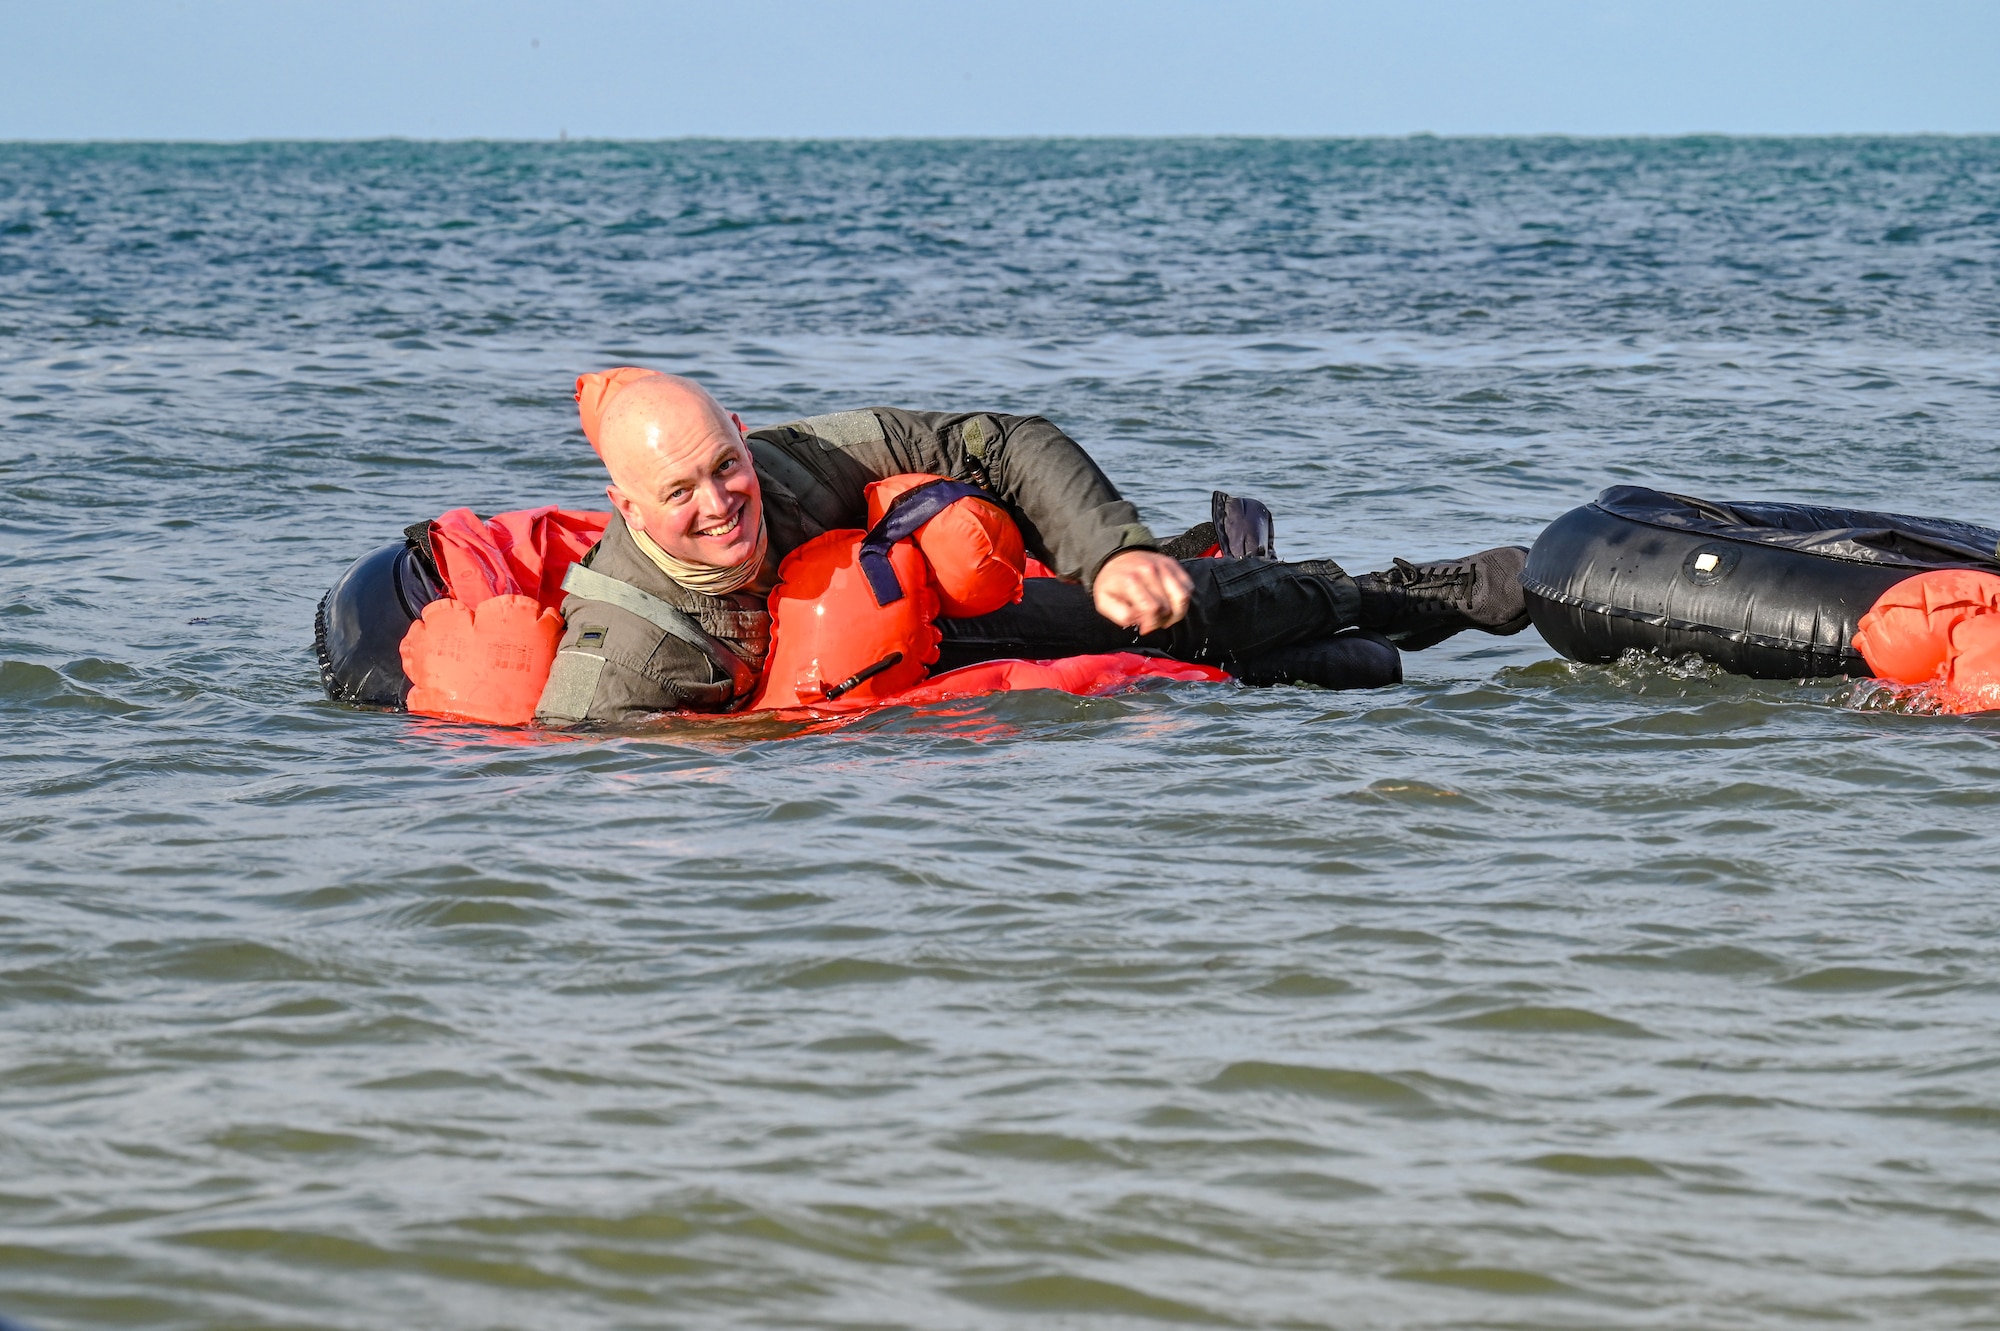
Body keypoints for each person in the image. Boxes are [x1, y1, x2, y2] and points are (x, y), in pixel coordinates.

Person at [533, 370, 1529, 725]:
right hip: (872, 727)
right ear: (622, 503)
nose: (720, 502)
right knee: (1335, 678)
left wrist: (1111, 553)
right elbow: (565, 775)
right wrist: (751, 736)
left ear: (742, 431)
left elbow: (995, 440)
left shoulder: (794, 465)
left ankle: (1431, 593)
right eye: (678, 491)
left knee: (1188, 614)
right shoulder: (622, 648)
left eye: (724, 465)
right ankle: (1304, 609)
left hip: (944, 627)